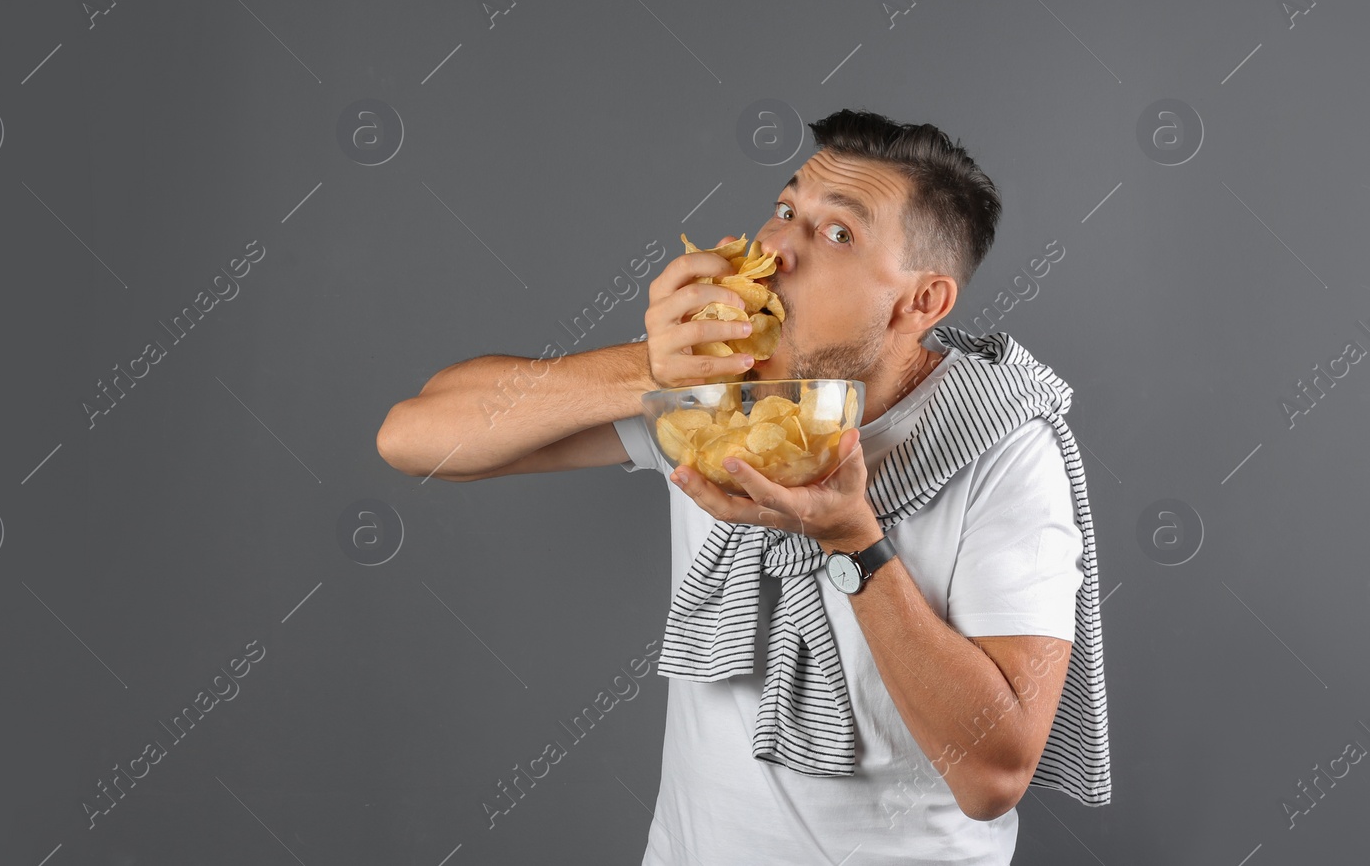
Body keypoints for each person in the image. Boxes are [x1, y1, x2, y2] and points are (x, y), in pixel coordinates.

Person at [378, 108, 1101, 864]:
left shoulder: (1002, 446)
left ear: (922, 302)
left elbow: (995, 773)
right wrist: (652, 370)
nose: (777, 246)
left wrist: (851, 540)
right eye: (787, 210)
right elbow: (415, 436)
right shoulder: (718, 398)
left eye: (838, 234)